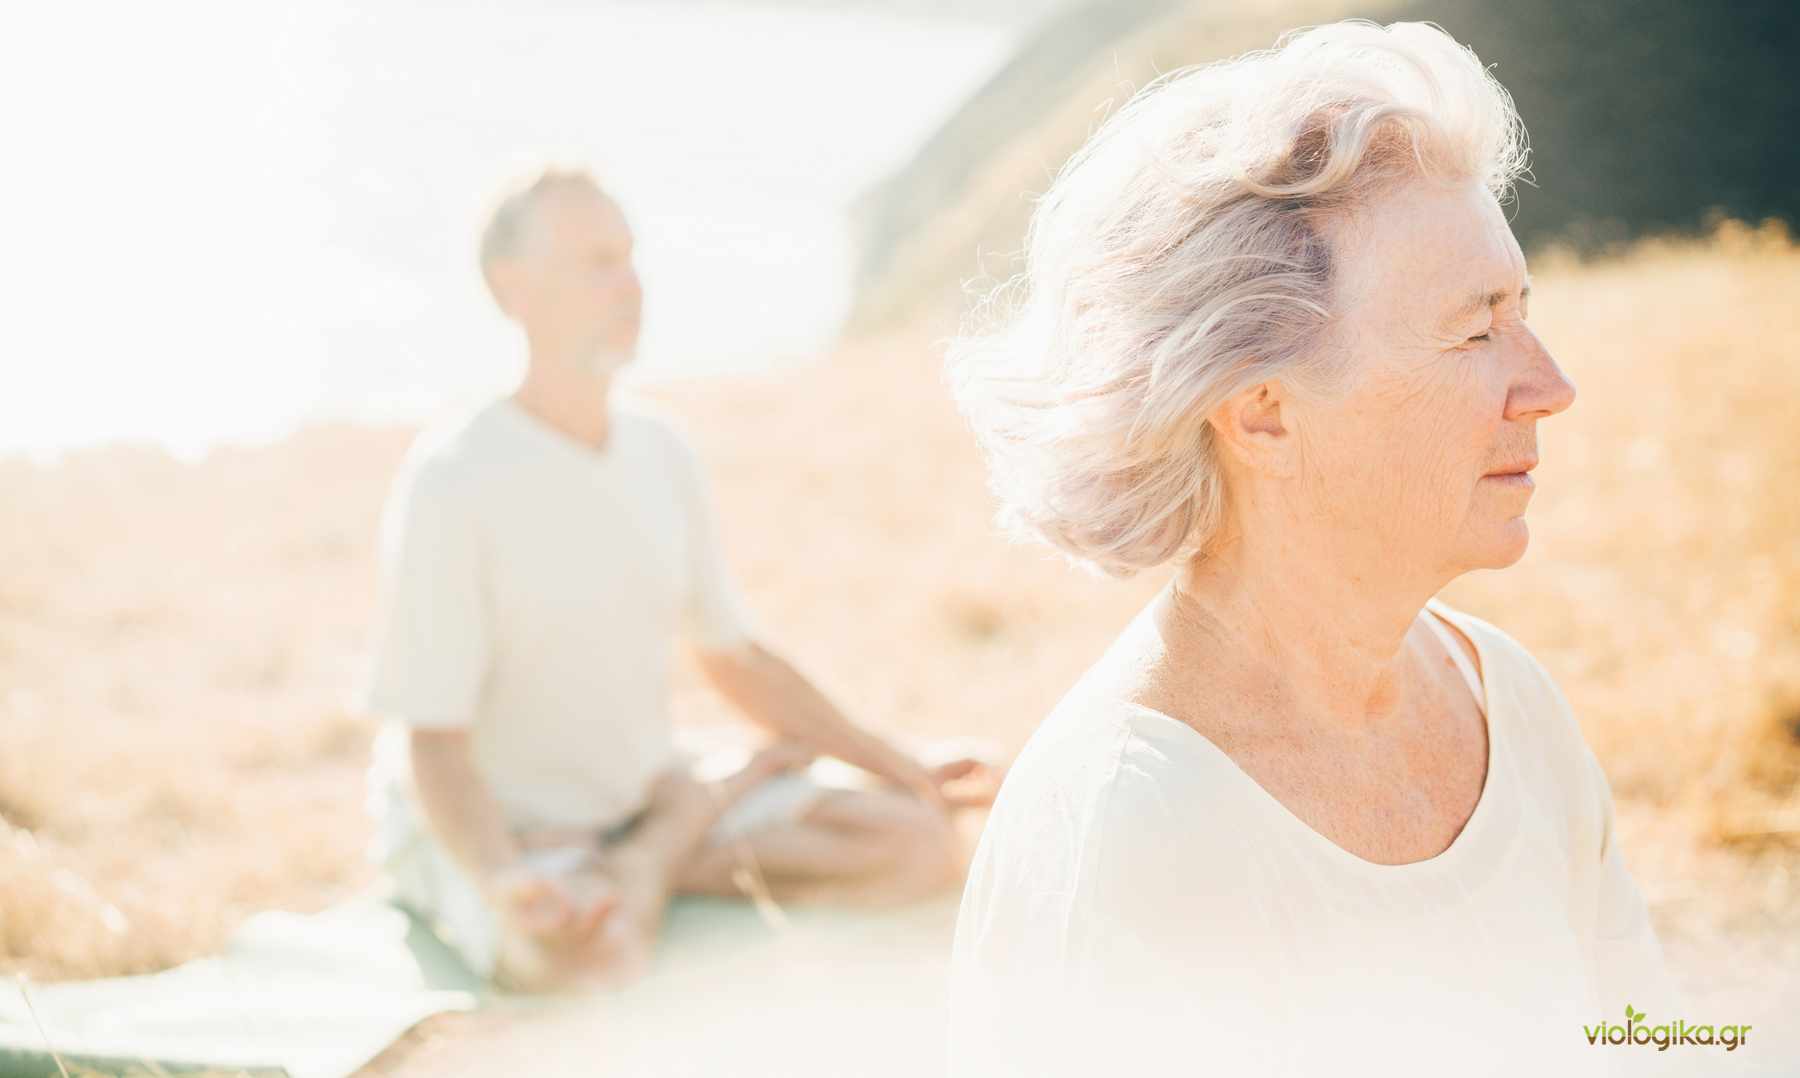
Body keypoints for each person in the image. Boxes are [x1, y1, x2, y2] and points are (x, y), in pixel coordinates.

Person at [943, 20, 1689, 1077]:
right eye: (1477, 333)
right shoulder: (1124, 834)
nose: (1551, 385)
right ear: (1261, 414)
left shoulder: (1510, 706)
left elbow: (1645, 1038)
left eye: (1524, 313)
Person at [358, 169, 998, 992]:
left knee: (917, 845)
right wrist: (499, 880)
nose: (630, 286)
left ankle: (651, 854)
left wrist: (904, 765)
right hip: (511, 828)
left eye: (629, 259)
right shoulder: (454, 477)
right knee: (578, 961)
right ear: (510, 289)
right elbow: (432, 746)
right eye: (596, 263)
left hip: (639, 794)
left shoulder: (660, 449)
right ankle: (667, 838)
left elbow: (732, 656)